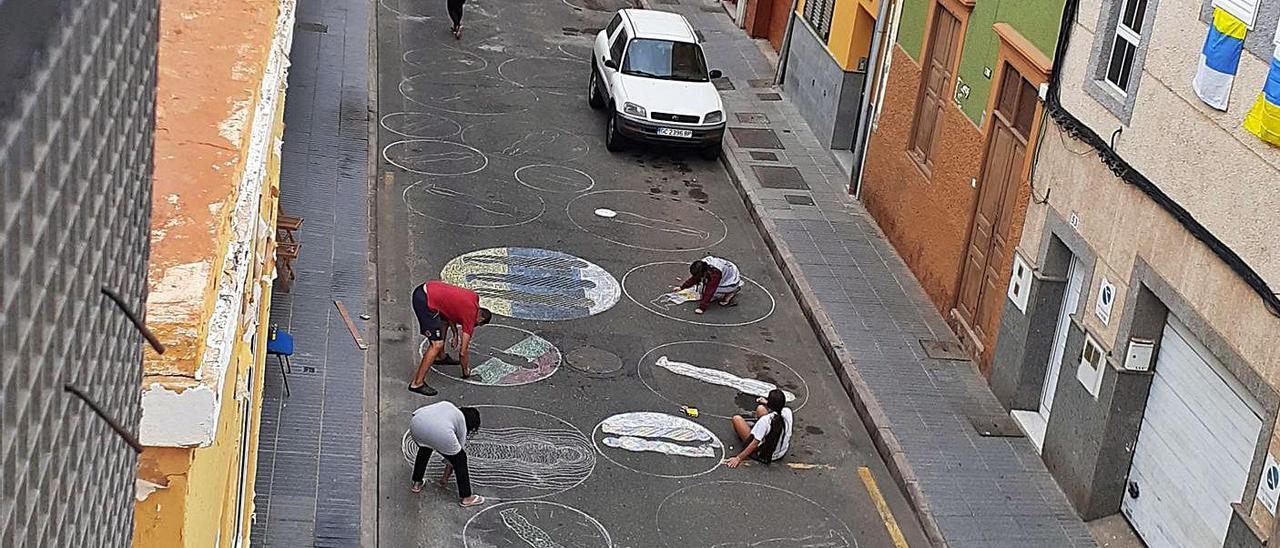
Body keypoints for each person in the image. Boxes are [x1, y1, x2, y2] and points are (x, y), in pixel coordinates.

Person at [409, 280, 492, 396]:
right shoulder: (470, 318)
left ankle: (441, 357)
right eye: (478, 324)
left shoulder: (474, 298)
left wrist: (455, 334)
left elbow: (450, 311)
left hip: (428, 288)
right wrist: (465, 371)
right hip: (424, 300)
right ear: (480, 319)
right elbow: (463, 352)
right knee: (436, 344)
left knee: (443, 322)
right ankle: (417, 383)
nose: (475, 326)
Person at [409, 401, 485, 506]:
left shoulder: (447, 405)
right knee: (460, 458)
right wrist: (445, 478)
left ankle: (416, 483)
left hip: (416, 424)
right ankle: (467, 497)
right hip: (438, 431)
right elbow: (453, 459)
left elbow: (419, 413)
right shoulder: (462, 423)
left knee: (425, 448)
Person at [727, 389, 793, 467]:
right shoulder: (787, 412)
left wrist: (738, 458)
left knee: (736, 419)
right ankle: (762, 433)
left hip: (765, 455)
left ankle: (759, 434)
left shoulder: (766, 421)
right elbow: (778, 409)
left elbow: (754, 444)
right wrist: (767, 403)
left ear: (770, 404)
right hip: (781, 452)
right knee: (760, 408)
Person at [676, 256, 741, 314]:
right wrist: (682, 287)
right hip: (728, 275)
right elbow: (695, 278)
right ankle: (727, 289)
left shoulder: (715, 274)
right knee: (701, 290)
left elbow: (710, 290)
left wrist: (702, 308)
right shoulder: (703, 265)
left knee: (709, 292)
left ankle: (732, 291)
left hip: (732, 281)